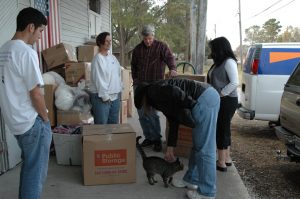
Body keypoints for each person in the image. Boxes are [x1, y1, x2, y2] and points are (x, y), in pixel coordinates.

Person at [134, 78, 220, 199]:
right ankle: (191, 179)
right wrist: (170, 147)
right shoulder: (158, 96)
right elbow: (173, 118)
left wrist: (192, 105)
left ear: (143, 98)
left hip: (203, 99)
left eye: (142, 106)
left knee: (205, 149)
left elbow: (174, 91)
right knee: (198, 146)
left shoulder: (154, 92)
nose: (144, 109)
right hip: (206, 96)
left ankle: (207, 192)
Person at [0, 7, 51, 199]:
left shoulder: (3, 50)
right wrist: (46, 119)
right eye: (40, 31)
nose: (39, 37)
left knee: (29, 168)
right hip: (31, 122)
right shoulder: (25, 52)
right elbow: (36, 94)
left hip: (15, 122)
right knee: (35, 174)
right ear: (31, 27)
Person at [131, 24, 177, 152]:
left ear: (153, 36)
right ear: (142, 37)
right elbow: (133, 65)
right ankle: (149, 137)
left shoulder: (161, 46)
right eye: (145, 38)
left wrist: (173, 68)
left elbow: (169, 58)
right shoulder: (137, 49)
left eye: (150, 38)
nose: (148, 41)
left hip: (155, 85)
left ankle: (157, 138)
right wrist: (135, 79)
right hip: (140, 85)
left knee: (152, 113)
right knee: (141, 113)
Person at [207, 37, 239, 172]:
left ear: (219, 49)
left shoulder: (229, 62)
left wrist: (220, 94)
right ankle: (227, 158)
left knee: (221, 129)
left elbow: (234, 82)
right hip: (221, 100)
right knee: (224, 128)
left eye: (213, 49)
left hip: (227, 100)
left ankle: (221, 162)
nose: (212, 51)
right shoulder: (218, 62)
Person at [89, 32, 122, 124]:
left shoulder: (112, 58)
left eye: (110, 41)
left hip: (115, 97)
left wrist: (120, 89)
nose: (109, 43)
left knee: (113, 127)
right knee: (102, 129)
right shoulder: (98, 59)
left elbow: (118, 74)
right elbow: (99, 80)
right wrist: (105, 97)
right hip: (102, 99)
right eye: (106, 41)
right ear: (100, 42)